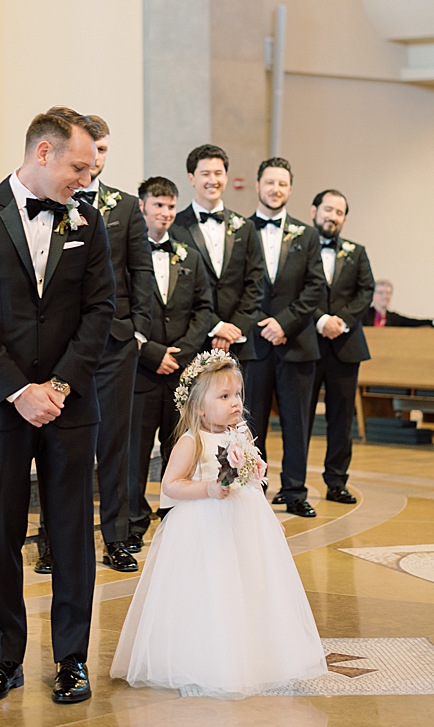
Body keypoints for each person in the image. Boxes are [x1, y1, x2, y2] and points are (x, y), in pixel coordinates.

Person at [0, 110, 115, 707]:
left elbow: (100, 313)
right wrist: (20, 390)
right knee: (0, 532)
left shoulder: (89, 223)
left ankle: (71, 659)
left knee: (70, 533)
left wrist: (60, 386)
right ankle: (4, 659)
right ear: (43, 153)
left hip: (70, 405)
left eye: (91, 170)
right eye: (77, 167)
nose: (85, 180)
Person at [111, 352, 327, 698]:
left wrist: (270, 518)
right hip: (203, 529)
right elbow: (170, 485)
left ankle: (253, 653)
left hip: (244, 526)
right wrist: (208, 489)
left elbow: (253, 484)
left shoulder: (241, 437)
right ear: (199, 406)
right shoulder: (191, 442)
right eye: (224, 397)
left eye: (238, 395)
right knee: (211, 589)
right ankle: (208, 657)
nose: (235, 403)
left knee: (248, 585)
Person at [35, 108, 153, 575]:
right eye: (90, 151)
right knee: (56, 444)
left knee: (115, 445)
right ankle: (51, 540)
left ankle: (117, 538)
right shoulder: (51, 199)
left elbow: (139, 270)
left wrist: (138, 330)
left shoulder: (124, 206)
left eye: (102, 151)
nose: (96, 161)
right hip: (63, 348)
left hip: (115, 345)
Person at [127, 176, 213, 552]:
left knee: (180, 448)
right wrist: (151, 353)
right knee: (135, 451)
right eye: (158, 205)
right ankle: (131, 524)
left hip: (182, 372)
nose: (165, 212)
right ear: (143, 206)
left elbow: (204, 309)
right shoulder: (126, 255)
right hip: (141, 370)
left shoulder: (189, 255)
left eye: (170, 206)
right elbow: (119, 310)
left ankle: (176, 520)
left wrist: (182, 351)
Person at [245, 158, 326, 518]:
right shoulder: (242, 229)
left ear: (290, 189)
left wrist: (284, 323)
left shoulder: (306, 235)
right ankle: (252, 490)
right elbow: (236, 287)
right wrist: (264, 323)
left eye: (282, 183)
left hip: (296, 343)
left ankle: (295, 490)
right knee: (250, 422)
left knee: (297, 423)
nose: (275, 189)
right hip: (255, 342)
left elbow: (315, 287)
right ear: (258, 185)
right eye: (269, 182)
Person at [308, 189, 375, 505]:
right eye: (327, 209)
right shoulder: (300, 247)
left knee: (341, 419)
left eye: (339, 212)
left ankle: (336, 482)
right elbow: (291, 290)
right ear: (314, 211)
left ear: (344, 219)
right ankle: (292, 484)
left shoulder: (356, 251)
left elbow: (366, 292)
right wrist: (320, 319)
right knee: (300, 418)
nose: (332, 216)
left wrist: (341, 321)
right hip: (306, 344)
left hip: (346, 347)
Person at [172, 144, 264, 368]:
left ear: (226, 177)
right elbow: (181, 290)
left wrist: (234, 328)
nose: (212, 180)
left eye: (218, 173)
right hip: (194, 339)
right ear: (191, 178)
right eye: (205, 174)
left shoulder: (245, 227)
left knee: (239, 404)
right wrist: (215, 326)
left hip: (239, 341)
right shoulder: (176, 227)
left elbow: (255, 283)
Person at [363, 280, 434, 329]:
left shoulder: (394, 317)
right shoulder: (363, 315)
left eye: (388, 293)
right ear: (372, 295)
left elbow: (413, 322)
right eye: (381, 292)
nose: (385, 296)